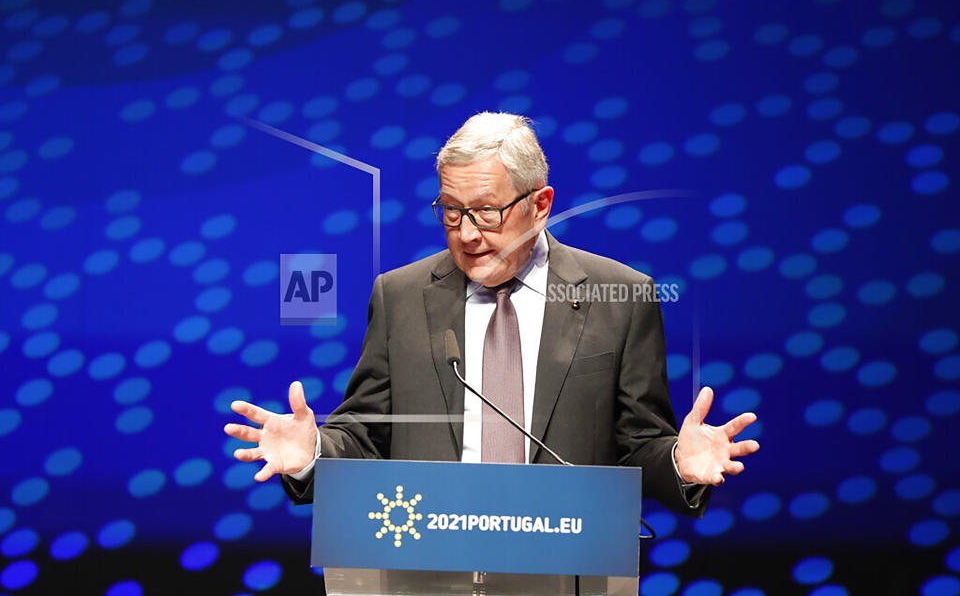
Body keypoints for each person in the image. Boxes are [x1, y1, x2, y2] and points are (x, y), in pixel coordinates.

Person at [225, 112, 759, 518]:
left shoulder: (621, 296)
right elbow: (367, 433)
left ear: (541, 204)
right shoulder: (401, 296)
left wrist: (677, 464)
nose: (467, 233)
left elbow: (639, 444)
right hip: (427, 572)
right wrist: (314, 450)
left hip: (568, 567)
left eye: (487, 212)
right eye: (451, 211)